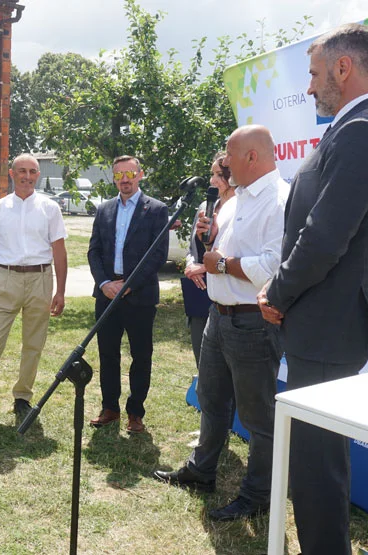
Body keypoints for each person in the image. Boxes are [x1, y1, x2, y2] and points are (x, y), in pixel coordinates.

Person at [257, 24, 368, 554]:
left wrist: (276, 294)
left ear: (344, 69)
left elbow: (325, 237)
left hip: (327, 327)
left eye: (316, 73)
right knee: (315, 460)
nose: (310, 86)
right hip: (323, 325)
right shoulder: (361, 127)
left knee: (316, 468)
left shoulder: (365, 130)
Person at [155, 125, 288, 522]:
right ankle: (202, 471)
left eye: (231, 155)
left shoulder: (281, 200)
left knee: (257, 416)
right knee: (211, 399)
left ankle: (258, 494)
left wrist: (223, 265)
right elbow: (214, 254)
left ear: (253, 156)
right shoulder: (233, 201)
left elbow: (273, 268)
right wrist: (208, 256)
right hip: (219, 314)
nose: (225, 164)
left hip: (252, 322)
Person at [0, 153, 68, 422]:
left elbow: (60, 252)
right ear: (12, 173)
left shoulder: (50, 209)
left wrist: (60, 291)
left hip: (40, 280)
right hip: (6, 279)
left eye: (32, 171)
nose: (27, 176)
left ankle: (23, 397)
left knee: (33, 344)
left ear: (38, 176)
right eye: (22, 171)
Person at [86, 155, 168, 434]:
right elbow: (93, 251)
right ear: (113, 177)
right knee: (107, 354)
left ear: (140, 175)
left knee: (141, 355)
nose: (124, 179)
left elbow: (157, 255)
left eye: (130, 174)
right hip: (107, 295)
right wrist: (104, 283)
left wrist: (129, 285)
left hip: (139, 296)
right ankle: (110, 408)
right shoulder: (104, 209)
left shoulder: (156, 210)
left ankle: (136, 413)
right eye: (119, 174)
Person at [181, 153, 234, 366]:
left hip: (226, 295)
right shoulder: (205, 206)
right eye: (212, 174)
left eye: (219, 174)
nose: (212, 180)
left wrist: (204, 266)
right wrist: (190, 265)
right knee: (202, 361)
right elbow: (191, 248)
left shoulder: (242, 208)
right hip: (199, 294)